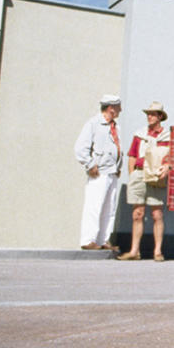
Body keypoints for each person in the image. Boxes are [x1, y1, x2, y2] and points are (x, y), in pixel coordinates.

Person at [118, 101, 170, 262]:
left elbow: (173, 157)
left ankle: (158, 251)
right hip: (139, 175)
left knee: (157, 214)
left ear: (160, 116)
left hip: (156, 176)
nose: (149, 116)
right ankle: (134, 251)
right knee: (137, 213)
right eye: (148, 113)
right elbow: (132, 156)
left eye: (153, 114)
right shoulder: (139, 134)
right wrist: (132, 174)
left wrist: (167, 167)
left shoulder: (167, 136)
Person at [73, 94, 123, 251]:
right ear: (110, 108)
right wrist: (90, 164)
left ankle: (102, 240)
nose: (120, 109)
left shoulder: (116, 127)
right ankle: (88, 240)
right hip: (99, 172)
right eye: (118, 107)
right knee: (94, 206)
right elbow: (80, 148)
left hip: (112, 172)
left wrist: (118, 166)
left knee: (109, 208)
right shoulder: (93, 124)